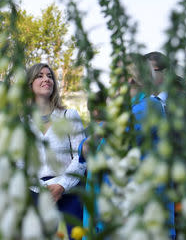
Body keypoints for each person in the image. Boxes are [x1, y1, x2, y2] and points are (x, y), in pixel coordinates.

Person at [79, 54, 175, 239]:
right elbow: (86, 148)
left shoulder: (150, 106)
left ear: (129, 77)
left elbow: (113, 143)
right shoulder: (126, 110)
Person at [26, 63, 86, 239]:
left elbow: (81, 157)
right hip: (36, 197)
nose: (46, 79)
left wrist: (62, 185)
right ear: (30, 85)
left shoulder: (69, 115)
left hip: (69, 195)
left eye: (50, 76)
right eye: (40, 76)